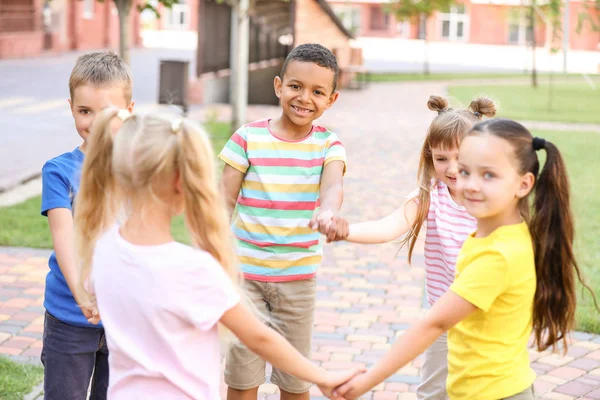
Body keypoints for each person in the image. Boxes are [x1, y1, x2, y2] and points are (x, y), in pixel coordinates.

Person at [73, 109, 362, 399]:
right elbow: (259, 337)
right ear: (180, 181)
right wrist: (323, 377)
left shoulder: (103, 249)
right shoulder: (193, 269)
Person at [333, 118, 600, 400]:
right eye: (465, 171)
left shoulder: (499, 254)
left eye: (488, 175)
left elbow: (433, 324)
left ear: (523, 184)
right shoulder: (498, 235)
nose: (469, 184)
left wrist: (364, 383)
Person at [319, 95, 496, 399]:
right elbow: (388, 226)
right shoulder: (430, 196)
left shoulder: (494, 199)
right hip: (443, 314)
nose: (451, 168)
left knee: (485, 388)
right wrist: (345, 231)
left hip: (488, 316)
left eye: (460, 158)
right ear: (430, 158)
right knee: (435, 391)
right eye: (441, 159)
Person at [218, 43, 347, 400]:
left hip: (298, 280)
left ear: (331, 99)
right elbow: (222, 201)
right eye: (295, 86)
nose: (305, 98)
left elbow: (333, 185)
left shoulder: (328, 145)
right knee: (242, 379)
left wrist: (328, 211)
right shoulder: (247, 137)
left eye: (317, 92)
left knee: (295, 380)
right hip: (245, 277)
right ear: (278, 86)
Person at [40, 51, 134, 400]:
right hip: (69, 314)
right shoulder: (58, 170)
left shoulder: (138, 168)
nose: (94, 122)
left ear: (130, 109)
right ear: (71, 107)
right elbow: (63, 235)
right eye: (84, 111)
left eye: (107, 112)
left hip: (124, 316)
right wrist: (81, 292)